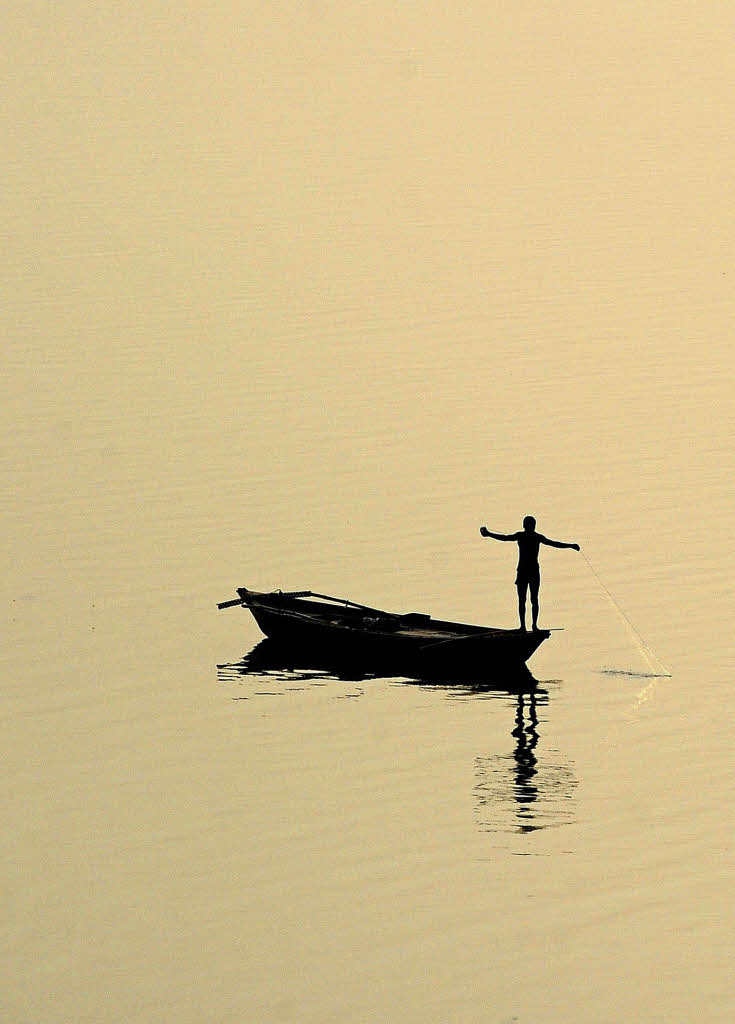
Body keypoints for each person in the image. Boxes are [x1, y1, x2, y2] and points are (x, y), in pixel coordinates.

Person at [480, 516, 580, 632]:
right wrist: (571, 545)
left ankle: (526, 626)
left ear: (524, 525)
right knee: (532, 599)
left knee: (524, 600)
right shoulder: (535, 537)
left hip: (525, 571)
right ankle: (532, 626)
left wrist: (488, 534)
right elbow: (554, 544)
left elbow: (505, 538)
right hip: (529, 571)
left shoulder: (523, 536)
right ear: (533, 526)